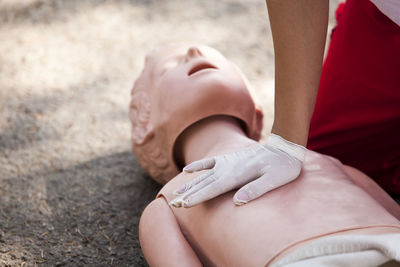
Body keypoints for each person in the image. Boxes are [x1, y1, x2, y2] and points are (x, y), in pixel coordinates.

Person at [131, 43, 400, 266]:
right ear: (145, 124)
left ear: (255, 105)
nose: (193, 52)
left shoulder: (319, 158)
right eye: (169, 68)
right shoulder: (166, 206)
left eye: (217, 57)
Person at [171, 0, 400, 208]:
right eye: (169, 65)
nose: (193, 50)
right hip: (385, 25)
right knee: (338, 162)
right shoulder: (179, 194)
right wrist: (287, 143)